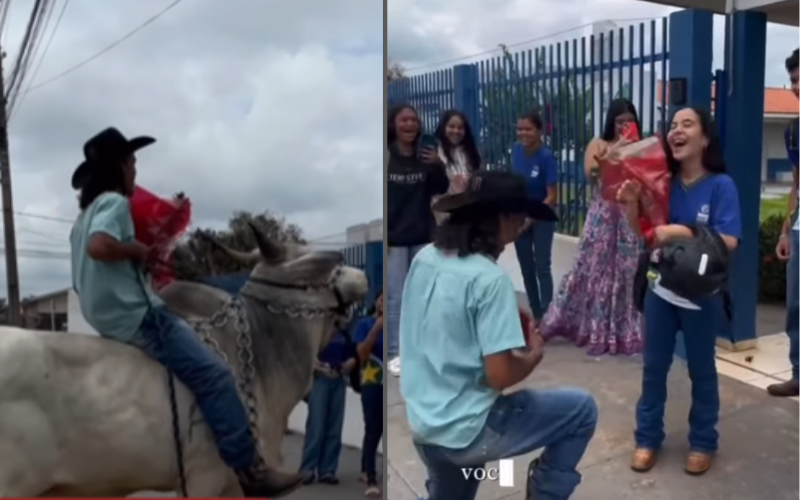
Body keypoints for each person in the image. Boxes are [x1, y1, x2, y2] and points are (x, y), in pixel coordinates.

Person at [68, 127, 302, 498]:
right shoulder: (114, 203)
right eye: (131, 163)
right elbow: (101, 248)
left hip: (107, 319)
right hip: (139, 317)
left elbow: (90, 263)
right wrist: (139, 252)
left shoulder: (80, 221)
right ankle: (250, 469)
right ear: (118, 168)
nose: (135, 171)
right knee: (215, 376)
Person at [400, 170, 597, 500]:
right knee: (581, 411)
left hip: (425, 428)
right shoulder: (489, 280)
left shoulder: (425, 258)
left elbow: (440, 327)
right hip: (467, 432)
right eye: (519, 219)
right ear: (502, 218)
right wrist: (533, 355)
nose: (521, 227)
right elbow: (500, 375)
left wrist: (499, 324)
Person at [617, 107, 740, 475]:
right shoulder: (660, 183)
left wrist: (682, 231)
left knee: (702, 370)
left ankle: (703, 441)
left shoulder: (721, 186)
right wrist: (631, 204)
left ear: (704, 139)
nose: (676, 130)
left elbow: (730, 239)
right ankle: (647, 438)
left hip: (701, 294)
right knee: (654, 368)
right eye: (672, 125)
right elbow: (644, 233)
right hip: (661, 289)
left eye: (687, 124)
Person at [541, 99, 644, 355]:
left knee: (625, 274)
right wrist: (617, 148)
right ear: (611, 121)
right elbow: (592, 174)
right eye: (620, 121)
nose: (625, 125)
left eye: (629, 121)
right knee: (591, 270)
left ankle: (621, 333)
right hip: (601, 217)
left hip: (627, 218)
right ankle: (589, 328)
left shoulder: (641, 148)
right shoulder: (598, 144)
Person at [386, 104, 450, 377]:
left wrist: (437, 165)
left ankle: (422, 347)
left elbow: (440, 188)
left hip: (422, 234)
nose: (410, 124)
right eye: (404, 120)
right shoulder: (386, 155)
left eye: (414, 120)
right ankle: (395, 351)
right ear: (393, 124)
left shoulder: (425, 154)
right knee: (396, 297)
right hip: (393, 237)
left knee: (424, 295)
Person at [768, 47, 800, 398]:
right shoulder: (794, 132)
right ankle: (798, 372)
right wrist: (785, 229)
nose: (796, 86)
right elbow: (797, 183)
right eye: (793, 79)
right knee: (796, 305)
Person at [511, 111, 559, 322]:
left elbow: (552, 196)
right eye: (520, 128)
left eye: (528, 129)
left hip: (541, 218)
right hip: (519, 218)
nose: (523, 133)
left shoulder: (546, 157)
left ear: (539, 131)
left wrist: (532, 217)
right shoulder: (515, 152)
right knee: (526, 268)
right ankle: (536, 315)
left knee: (542, 266)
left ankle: (548, 316)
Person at [299, 329, 357, 485]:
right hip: (320, 380)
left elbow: (352, 356)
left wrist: (348, 364)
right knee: (316, 425)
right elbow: (306, 356)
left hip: (338, 380)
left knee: (334, 426)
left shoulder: (344, 334)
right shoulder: (318, 334)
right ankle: (307, 469)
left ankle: (328, 470)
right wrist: (319, 366)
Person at [354, 290, 384, 498]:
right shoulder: (364, 324)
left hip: (388, 383)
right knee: (373, 429)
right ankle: (371, 478)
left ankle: (366, 467)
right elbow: (362, 354)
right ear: (376, 302)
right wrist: (376, 328)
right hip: (371, 382)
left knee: (379, 429)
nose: (384, 303)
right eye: (381, 299)